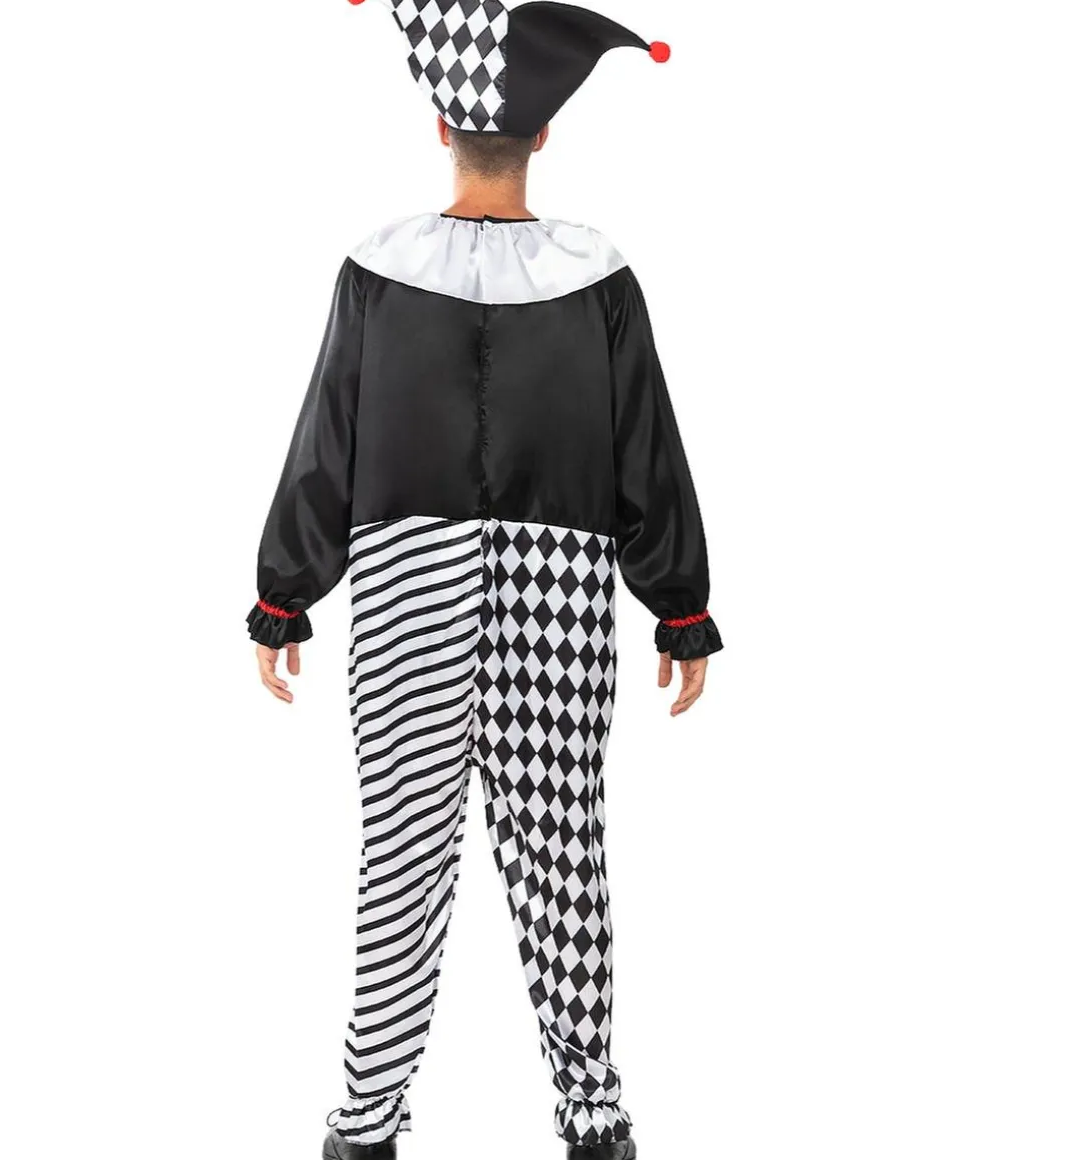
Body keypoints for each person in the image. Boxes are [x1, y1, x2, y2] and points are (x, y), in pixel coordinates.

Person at [247, 3, 723, 1157]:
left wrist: (283, 590)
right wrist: (678, 603)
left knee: (401, 856)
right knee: (562, 858)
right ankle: (593, 1114)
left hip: (405, 580)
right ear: (545, 134)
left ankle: (365, 1118)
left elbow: (327, 435)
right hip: (558, 585)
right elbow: (645, 447)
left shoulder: (375, 269)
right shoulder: (597, 276)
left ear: (438, 125)